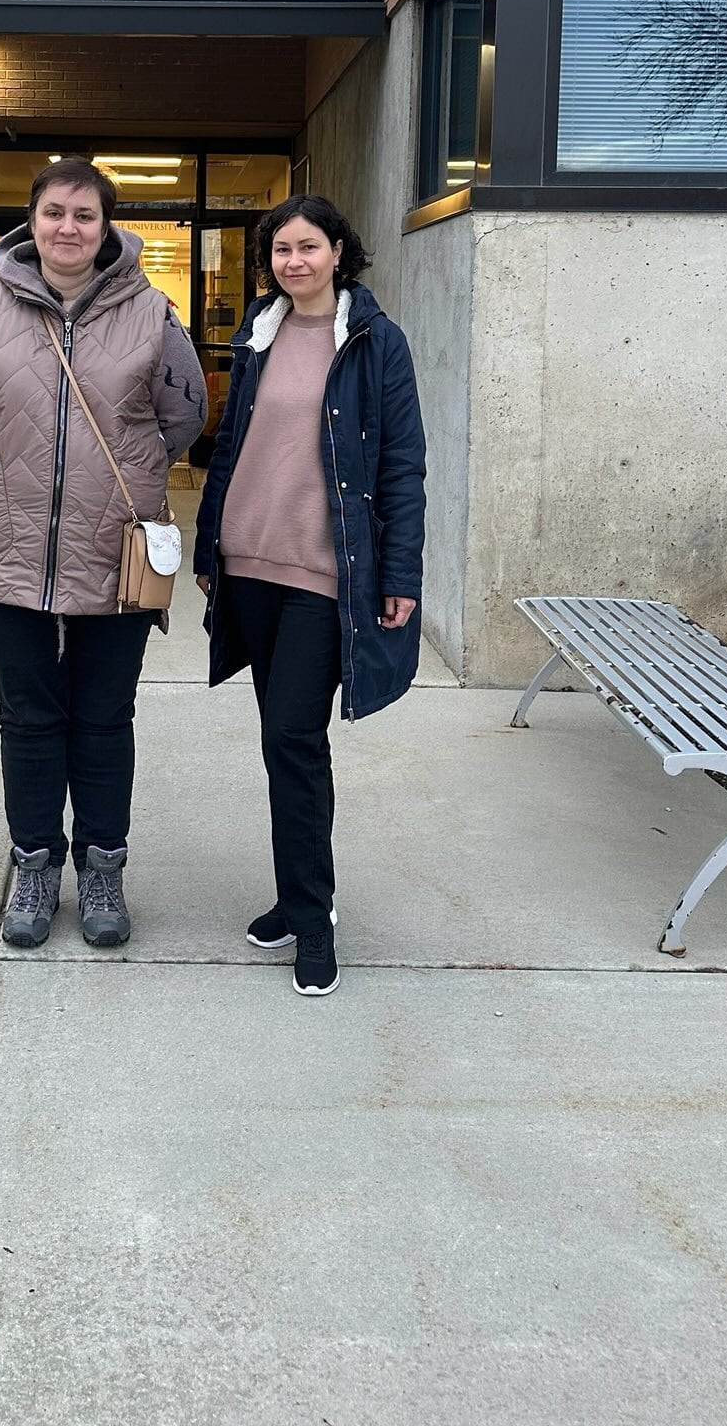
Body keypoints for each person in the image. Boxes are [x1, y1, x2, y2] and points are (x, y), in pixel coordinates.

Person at [0, 156, 205, 950]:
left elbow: (183, 414)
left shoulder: (151, 312)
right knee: (25, 719)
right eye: (55, 213)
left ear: (107, 227)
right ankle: (35, 863)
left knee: (102, 717)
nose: (68, 229)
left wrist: (132, 467)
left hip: (113, 550)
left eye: (85, 216)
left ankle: (102, 866)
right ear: (32, 220)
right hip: (8, 549)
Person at [194, 195, 426, 998]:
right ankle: (295, 900)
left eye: (308, 247)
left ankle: (314, 914)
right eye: (281, 251)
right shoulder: (258, 335)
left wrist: (399, 576)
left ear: (338, 252)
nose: (294, 262)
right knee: (278, 741)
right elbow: (230, 445)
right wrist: (206, 546)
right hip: (249, 565)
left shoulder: (373, 342)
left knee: (295, 737)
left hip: (322, 579)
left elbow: (402, 468)